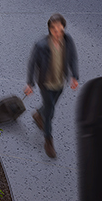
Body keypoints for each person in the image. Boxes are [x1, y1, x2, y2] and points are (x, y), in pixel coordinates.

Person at [22, 14, 80, 160]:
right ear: (49, 28)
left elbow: (73, 57)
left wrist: (74, 76)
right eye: (53, 28)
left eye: (60, 29)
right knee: (50, 112)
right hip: (46, 84)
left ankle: (38, 114)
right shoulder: (41, 45)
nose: (57, 32)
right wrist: (30, 83)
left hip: (60, 83)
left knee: (50, 106)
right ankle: (48, 140)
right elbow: (32, 63)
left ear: (64, 28)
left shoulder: (68, 41)